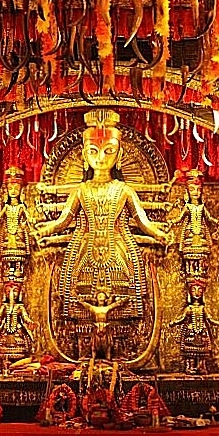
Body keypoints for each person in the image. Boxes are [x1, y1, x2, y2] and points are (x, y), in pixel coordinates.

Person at [36, 110, 170, 326]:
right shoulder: (81, 190)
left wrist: (159, 234)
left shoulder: (124, 190)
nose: (100, 158)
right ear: (84, 155)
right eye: (93, 151)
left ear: (119, 155)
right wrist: (45, 231)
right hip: (84, 249)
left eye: (108, 151)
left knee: (126, 296)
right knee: (76, 298)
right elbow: (64, 220)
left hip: (120, 249)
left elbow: (142, 220)